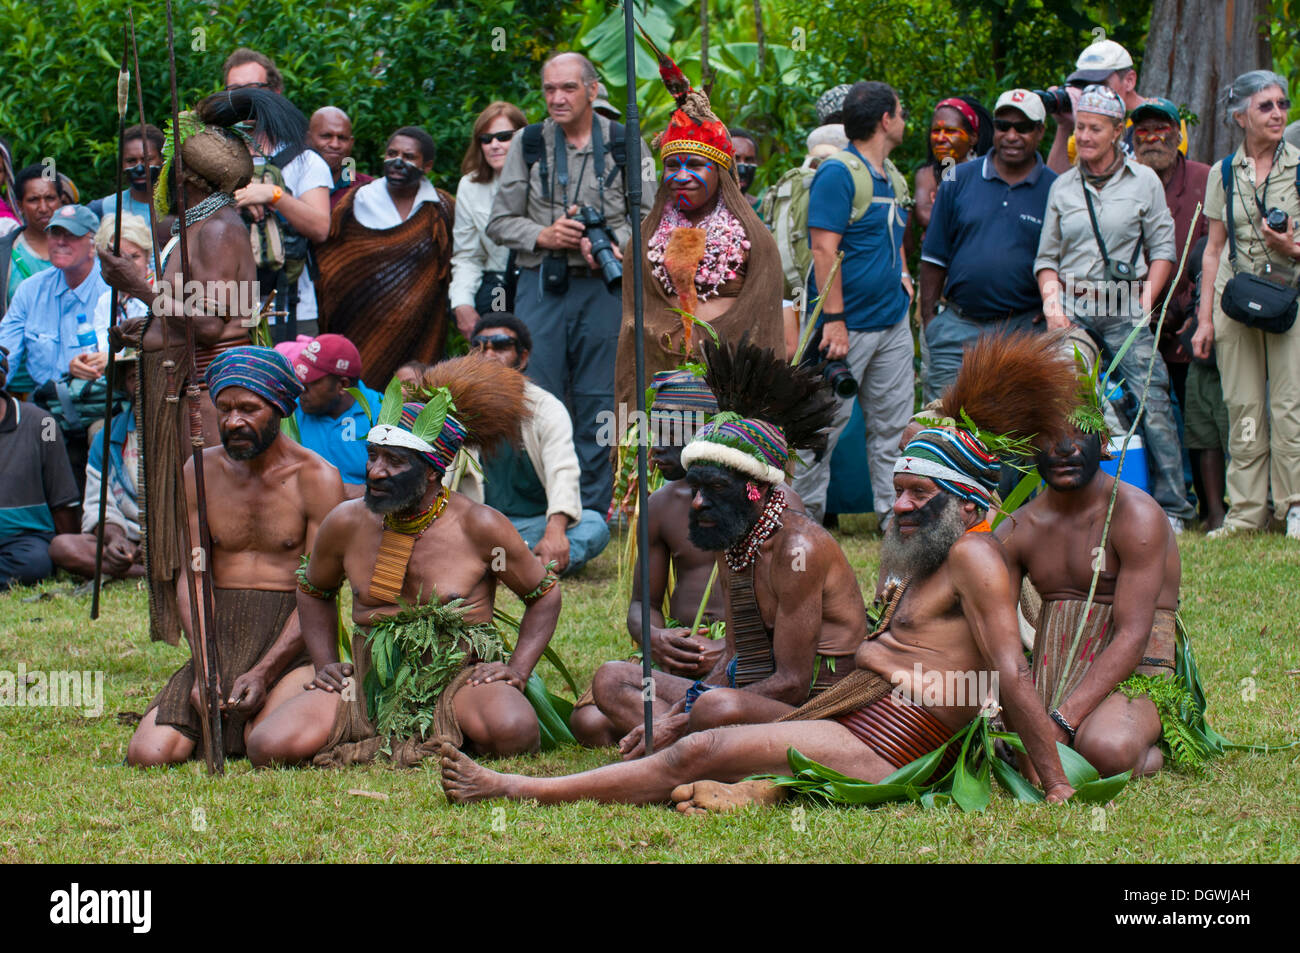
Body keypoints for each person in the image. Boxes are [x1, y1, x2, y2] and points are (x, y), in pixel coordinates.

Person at [440, 333, 1081, 809]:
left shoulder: (971, 552)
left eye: (919, 495)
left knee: (702, 743)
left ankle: (513, 787)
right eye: (901, 490)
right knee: (656, 711)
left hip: (893, 737)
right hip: (856, 712)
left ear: (967, 500)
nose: (902, 506)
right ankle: (753, 786)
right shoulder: (925, 553)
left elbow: (1010, 672)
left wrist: (1054, 784)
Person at [244, 354, 562, 767]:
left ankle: (452, 723)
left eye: (395, 461)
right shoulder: (345, 522)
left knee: (514, 731)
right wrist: (324, 664)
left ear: (434, 470)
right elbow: (313, 588)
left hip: (457, 677)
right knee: (269, 746)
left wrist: (516, 670)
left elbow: (544, 595)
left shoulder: (480, 526)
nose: (376, 471)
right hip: (370, 681)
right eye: (374, 455)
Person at [579, 335, 859, 759]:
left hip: (808, 705)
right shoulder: (731, 538)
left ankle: (691, 750)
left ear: (752, 491)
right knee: (611, 679)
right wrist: (678, 699)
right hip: (743, 687)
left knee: (714, 706)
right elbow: (734, 660)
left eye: (713, 489)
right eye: (696, 488)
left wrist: (679, 716)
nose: (697, 503)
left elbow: (791, 682)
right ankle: (697, 749)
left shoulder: (797, 547)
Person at [97, 88, 268, 645]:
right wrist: (145, 328)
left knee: (209, 520)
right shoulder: (194, 228)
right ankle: (210, 648)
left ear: (187, 173)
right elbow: (189, 312)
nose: (162, 175)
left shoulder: (216, 229)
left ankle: (225, 644)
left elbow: (216, 324)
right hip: (190, 383)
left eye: (169, 165)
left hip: (210, 391)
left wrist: (140, 289)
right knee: (196, 516)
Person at [126, 346, 344, 765]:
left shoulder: (316, 477)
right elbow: (194, 576)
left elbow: (319, 590)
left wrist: (263, 671)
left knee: (269, 746)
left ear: (279, 407)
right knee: (149, 755)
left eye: (248, 408)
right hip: (217, 634)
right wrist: (206, 665)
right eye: (223, 408)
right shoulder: (200, 472)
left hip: (289, 634)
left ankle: (298, 699)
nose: (233, 421)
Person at [570, 368, 803, 746]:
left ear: (702, 433)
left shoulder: (772, 504)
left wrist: (731, 649)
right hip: (681, 657)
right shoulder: (660, 506)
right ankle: (701, 738)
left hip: (749, 659)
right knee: (589, 722)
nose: (654, 448)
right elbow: (641, 604)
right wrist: (656, 638)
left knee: (615, 713)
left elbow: (794, 615)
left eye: (667, 436)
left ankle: (687, 740)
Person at [488, 51, 656, 513]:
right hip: (544, 282)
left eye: (568, 88)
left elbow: (650, 217)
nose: (557, 98)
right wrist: (545, 234)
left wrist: (614, 242)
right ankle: (537, 511)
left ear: (592, 89)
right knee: (534, 397)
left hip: (605, 284)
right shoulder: (529, 143)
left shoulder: (627, 143)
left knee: (599, 400)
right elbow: (500, 221)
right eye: (549, 89)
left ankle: (592, 517)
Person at [1034, 84, 1195, 532]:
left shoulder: (1144, 181)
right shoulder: (1063, 186)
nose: (1084, 136)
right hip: (1074, 306)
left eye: (1094, 128)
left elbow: (1163, 247)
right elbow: (1046, 259)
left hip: (1126, 303)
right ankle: (1070, 500)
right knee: (1067, 397)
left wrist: (1147, 300)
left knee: (1152, 399)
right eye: (1080, 127)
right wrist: (1053, 309)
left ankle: (1174, 507)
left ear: (1116, 132)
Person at [996, 413, 1181, 778]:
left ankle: (1144, 746)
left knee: (1104, 749)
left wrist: (1060, 724)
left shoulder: (1136, 515)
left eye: (1080, 435)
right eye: (1049, 435)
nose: (1064, 449)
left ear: (1105, 444)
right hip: (1049, 674)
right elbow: (997, 635)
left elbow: (1132, 635)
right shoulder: (1019, 528)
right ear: (1029, 448)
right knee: (1017, 752)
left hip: (1137, 672)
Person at [613, 45, 783, 421]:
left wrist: (713, 342)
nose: (681, 176)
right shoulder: (644, 239)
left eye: (695, 164)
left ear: (720, 173)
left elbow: (765, 327)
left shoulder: (756, 240)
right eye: (672, 165)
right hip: (660, 392)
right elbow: (632, 327)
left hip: (730, 394)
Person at [791, 80, 913, 527]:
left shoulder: (891, 175)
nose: (903, 120)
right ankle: (800, 521)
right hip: (845, 327)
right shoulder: (838, 173)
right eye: (900, 113)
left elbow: (893, 234)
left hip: (892, 322)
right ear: (886, 120)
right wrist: (835, 321)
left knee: (894, 432)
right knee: (819, 430)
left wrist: (903, 276)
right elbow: (824, 250)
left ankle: (895, 518)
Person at [1192, 71, 1300, 540]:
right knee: (1244, 407)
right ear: (1240, 116)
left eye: (1282, 104)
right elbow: (1213, 249)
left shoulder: (1299, 167)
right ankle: (1247, 511)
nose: (1278, 114)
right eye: (1266, 106)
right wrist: (1203, 321)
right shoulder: (1221, 173)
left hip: (1290, 297)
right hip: (1233, 300)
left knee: (1289, 405)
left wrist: (1291, 246)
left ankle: (1293, 506)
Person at [919, 89, 1055, 402]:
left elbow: (1065, 260)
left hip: (1022, 333)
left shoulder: (1055, 188)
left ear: (1040, 132)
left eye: (1022, 127)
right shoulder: (958, 178)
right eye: (1003, 125)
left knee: (1015, 431)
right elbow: (933, 256)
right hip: (957, 329)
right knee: (942, 426)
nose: (1011, 135)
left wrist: (1050, 309)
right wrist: (930, 322)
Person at [467, 313, 610, 574]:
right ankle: (528, 567)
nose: (488, 354)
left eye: (500, 346)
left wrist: (555, 531)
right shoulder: (460, 408)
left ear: (522, 358)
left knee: (594, 526)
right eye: (479, 346)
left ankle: (499, 567)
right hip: (479, 527)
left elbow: (563, 471)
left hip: (533, 527)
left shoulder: (547, 408)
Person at [315, 126, 455, 390]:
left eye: (409, 156)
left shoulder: (442, 208)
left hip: (421, 331)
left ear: (427, 165)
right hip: (359, 324)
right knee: (361, 399)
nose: (398, 161)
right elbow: (333, 262)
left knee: (414, 401)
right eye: (392, 153)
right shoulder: (356, 201)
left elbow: (452, 265)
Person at [1131, 97, 1210, 422]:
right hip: (1133, 326)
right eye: (1143, 131)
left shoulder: (1204, 179)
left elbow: (1214, 252)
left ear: (1178, 135)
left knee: (1196, 425)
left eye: (1161, 129)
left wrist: (1191, 310)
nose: (1152, 139)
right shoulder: (1122, 182)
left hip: (1189, 326)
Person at [230, 89, 331, 338]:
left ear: (273, 92)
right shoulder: (212, 158)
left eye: (255, 88)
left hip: (291, 307)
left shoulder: (304, 160)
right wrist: (237, 201)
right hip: (228, 312)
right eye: (236, 91)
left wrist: (275, 195)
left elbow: (320, 228)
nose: (247, 100)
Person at [49, 352, 143, 580]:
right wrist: (115, 538)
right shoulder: (108, 436)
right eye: (132, 377)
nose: (140, 384)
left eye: (146, 374)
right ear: (124, 385)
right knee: (62, 547)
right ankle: (144, 571)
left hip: (174, 539)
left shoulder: (185, 426)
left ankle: (145, 569)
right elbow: (98, 502)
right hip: (130, 539)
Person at [0, 204, 110, 392]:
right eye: (55, 233)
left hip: (100, 402)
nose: (60, 242)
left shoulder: (112, 288)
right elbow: (6, 351)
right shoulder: (30, 290)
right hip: (45, 404)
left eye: (71, 235)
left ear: (94, 245)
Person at [0, 346, 80, 590]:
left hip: (23, 541)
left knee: (34, 563)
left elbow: (63, 499)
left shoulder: (41, 422)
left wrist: (72, 550)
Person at [1045, 39, 1189, 175]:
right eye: (1085, 86)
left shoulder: (1164, 116)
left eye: (1100, 84)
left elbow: (1154, 178)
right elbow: (1057, 185)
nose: (1093, 93)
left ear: (1129, 81)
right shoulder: (1087, 129)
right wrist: (1064, 127)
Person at [450, 102, 528, 340]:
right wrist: (461, 303)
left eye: (504, 137)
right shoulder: (471, 185)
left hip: (535, 284)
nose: (494, 145)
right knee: (496, 354)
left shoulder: (542, 178)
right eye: (486, 139)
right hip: (497, 286)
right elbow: (467, 255)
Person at [291, 332, 383, 499]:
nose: (301, 389)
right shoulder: (290, 410)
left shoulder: (382, 414)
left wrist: (366, 492)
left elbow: (405, 480)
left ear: (342, 385)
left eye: (311, 381)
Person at [908, 95, 992, 249]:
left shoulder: (989, 171)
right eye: (936, 131)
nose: (940, 138)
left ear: (973, 138)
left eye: (950, 131)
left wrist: (943, 210)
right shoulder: (935, 171)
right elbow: (925, 216)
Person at [96, 124, 165, 225]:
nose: (139, 169)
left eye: (147, 159)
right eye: (131, 161)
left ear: (162, 160)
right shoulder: (103, 209)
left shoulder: (181, 205)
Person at [306, 107, 373, 210]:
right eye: (326, 136)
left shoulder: (368, 190)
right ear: (308, 139)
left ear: (351, 143)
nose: (335, 144)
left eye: (342, 138)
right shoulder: (288, 185)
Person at [728, 126, 762, 213]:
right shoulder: (702, 209)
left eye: (749, 160)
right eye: (735, 160)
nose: (742, 170)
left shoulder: (763, 210)